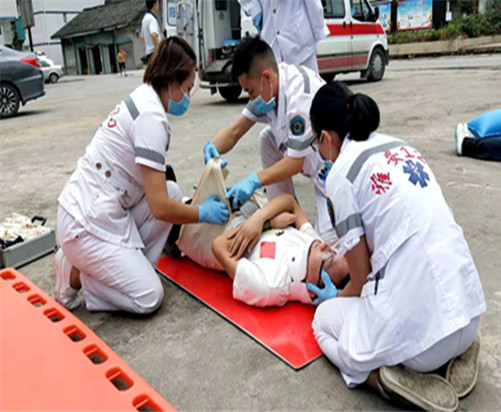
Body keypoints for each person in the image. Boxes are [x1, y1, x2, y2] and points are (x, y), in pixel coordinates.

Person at [306, 82, 487, 411]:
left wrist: (337, 299)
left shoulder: (340, 176)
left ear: (326, 139)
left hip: (423, 348)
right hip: (469, 311)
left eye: (315, 141)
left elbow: (360, 279)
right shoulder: (403, 147)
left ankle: (382, 379)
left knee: (322, 322)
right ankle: (463, 347)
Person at [54, 37, 229, 314]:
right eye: (187, 88)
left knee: (172, 191)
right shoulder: (151, 119)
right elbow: (159, 207)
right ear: (171, 82)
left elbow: (160, 192)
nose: (188, 96)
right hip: (84, 223)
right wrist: (201, 213)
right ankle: (74, 274)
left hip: (102, 206)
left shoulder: (145, 97)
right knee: (149, 297)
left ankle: (129, 272)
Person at [203, 36, 337, 245]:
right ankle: (282, 211)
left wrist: (254, 180)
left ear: (265, 77)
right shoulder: (268, 89)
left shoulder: (299, 97)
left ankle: (294, 217)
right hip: (311, 163)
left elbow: (295, 162)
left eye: (250, 91)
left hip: (331, 173)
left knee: (328, 245)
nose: (250, 98)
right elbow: (235, 130)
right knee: (266, 138)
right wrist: (212, 148)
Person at [212, 194, 349, 307]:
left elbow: (218, 245)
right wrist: (260, 217)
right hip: (250, 211)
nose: (325, 245)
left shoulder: (269, 285)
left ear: (313, 290)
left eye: (328, 257)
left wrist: (268, 223)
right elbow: (290, 202)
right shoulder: (314, 244)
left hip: (218, 228)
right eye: (333, 251)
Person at [239, 0, 329, 72]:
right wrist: (255, 10)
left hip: (300, 44)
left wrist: (318, 30)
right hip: (271, 40)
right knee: (277, 85)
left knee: (308, 84)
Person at [141, 0, 161, 64]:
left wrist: (149, 44)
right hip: (154, 53)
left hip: (149, 53)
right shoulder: (152, 19)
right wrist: (157, 51)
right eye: (157, 3)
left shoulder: (145, 19)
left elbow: (142, 38)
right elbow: (154, 35)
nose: (158, 5)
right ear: (154, 5)